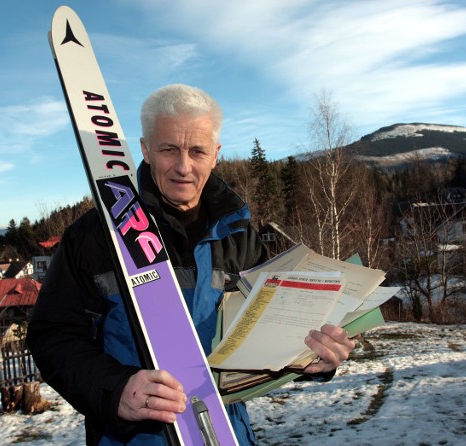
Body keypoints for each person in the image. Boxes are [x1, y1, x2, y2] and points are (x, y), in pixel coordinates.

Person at [27, 84, 356, 445]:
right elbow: (52, 336)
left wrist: (312, 356)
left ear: (215, 154)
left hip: (225, 433)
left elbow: (270, 330)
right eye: (169, 149)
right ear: (146, 150)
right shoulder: (94, 236)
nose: (183, 167)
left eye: (197, 151)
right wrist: (115, 388)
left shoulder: (239, 236)